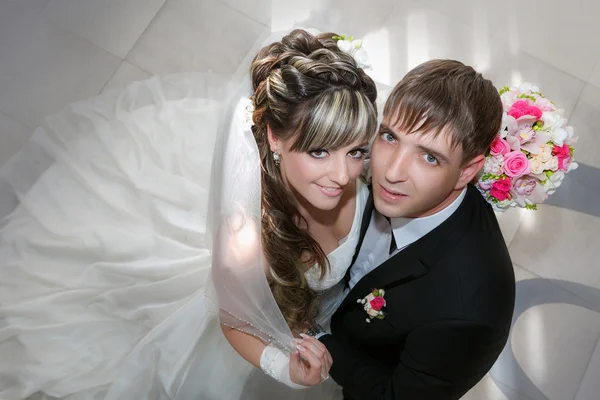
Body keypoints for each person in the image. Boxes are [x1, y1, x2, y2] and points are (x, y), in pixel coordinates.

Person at [0, 29, 379, 399]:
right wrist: (287, 371)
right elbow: (235, 321)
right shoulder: (244, 241)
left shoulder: (355, 179)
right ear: (276, 139)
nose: (343, 175)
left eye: (356, 150)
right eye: (319, 152)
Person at [316, 59, 516, 399]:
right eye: (390, 137)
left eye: (429, 157)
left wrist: (319, 342)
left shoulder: (467, 313)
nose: (391, 171)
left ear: (468, 171)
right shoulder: (368, 170)